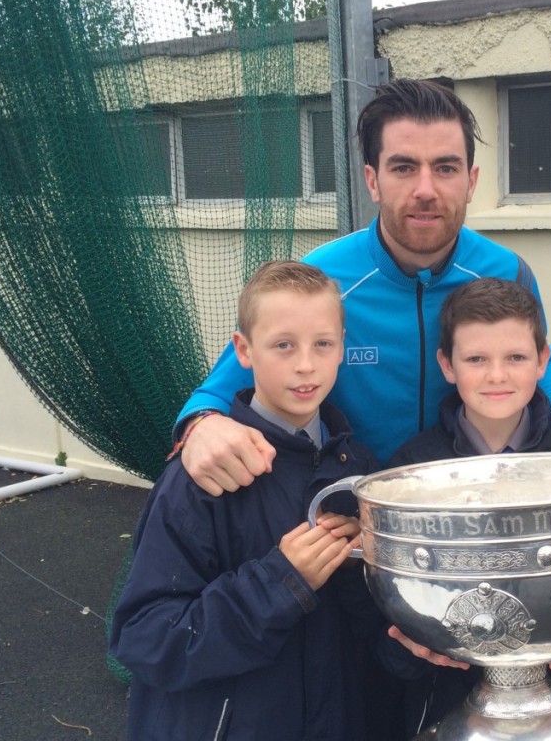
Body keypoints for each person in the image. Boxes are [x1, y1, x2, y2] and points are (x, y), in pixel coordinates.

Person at [173, 78, 551, 496]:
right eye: (404, 167)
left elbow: (537, 352)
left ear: (471, 182)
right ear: (372, 180)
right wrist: (202, 425)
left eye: (445, 168)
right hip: (343, 514)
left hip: (468, 510)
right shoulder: (321, 281)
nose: (425, 189)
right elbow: (219, 389)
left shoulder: (508, 270)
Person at [110, 261, 380, 741]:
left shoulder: (358, 471)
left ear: (343, 348)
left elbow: (368, 637)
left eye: (323, 344)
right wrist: (280, 582)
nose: (305, 364)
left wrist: (370, 566)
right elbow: (145, 637)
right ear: (243, 350)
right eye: (283, 345)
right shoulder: (200, 477)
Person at [381, 276, 551, 737]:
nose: (497, 375)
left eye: (516, 357)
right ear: (447, 364)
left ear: (544, 360)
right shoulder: (412, 469)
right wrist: (407, 649)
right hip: (450, 707)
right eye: (476, 359)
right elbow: (387, 612)